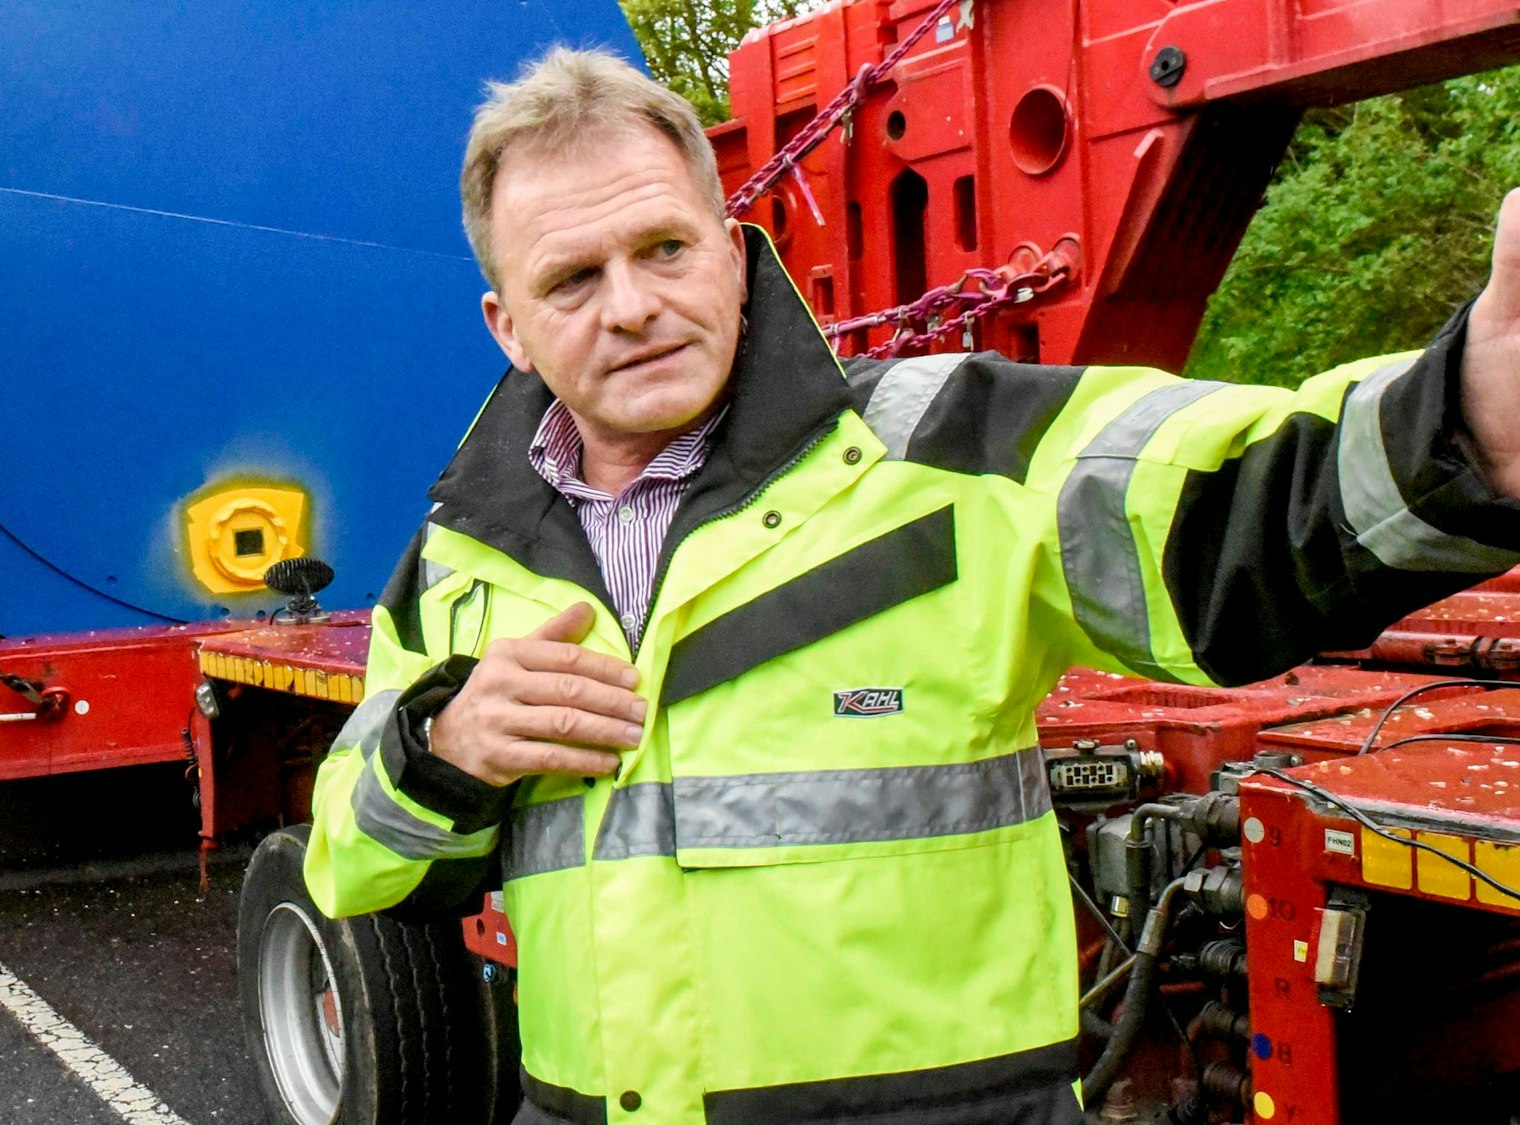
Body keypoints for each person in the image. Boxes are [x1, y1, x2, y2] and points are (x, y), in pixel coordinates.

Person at [301, 48, 1520, 1125]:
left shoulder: (950, 447)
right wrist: (445, 748)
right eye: (571, 281)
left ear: (731, 255)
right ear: (505, 325)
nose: (631, 307)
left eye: (663, 248)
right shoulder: (464, 556)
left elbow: (1232, 510)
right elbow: (358, 865)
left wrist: (1461, 423)